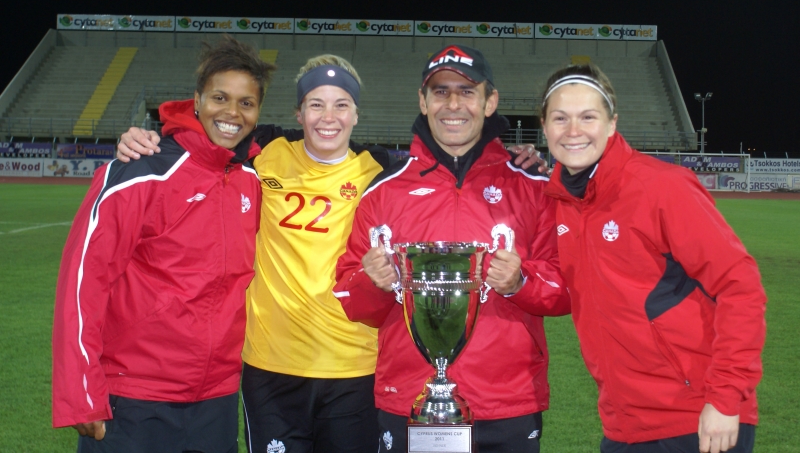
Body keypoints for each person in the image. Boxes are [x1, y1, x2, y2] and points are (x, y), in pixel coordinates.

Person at [117, 51, 544, 453]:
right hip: (271, 365)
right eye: (316, 104)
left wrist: (512, 156)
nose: (328, 117)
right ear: (298, 113)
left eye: (341, 105)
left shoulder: (380, 174)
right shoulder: (262, 156)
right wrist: (153, 138)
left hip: (354, 368)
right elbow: (209, 138)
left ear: (356, 114)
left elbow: (446, 170)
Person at [334, 44, 571, 453]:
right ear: (423, 102)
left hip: (507, 401)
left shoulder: (533, 187)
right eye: (441, 92)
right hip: (409, 398)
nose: (454, 104)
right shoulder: (384, 192)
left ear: (490, 101)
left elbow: (568, 287)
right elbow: (351, 301)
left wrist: (521, 282)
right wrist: (373, 282)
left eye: (467, 92)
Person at [52, 36, 274, 453]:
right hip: (134, 397)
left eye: (246, 103)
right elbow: (83, 280)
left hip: (217, 400)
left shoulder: (252, 181)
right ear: (197, 100)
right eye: (220, 98)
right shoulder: (141, 171)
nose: (232, 113)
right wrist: (79, 391)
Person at [538, 64, 766, 453]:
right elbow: (576, 294)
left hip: (697, 418)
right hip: (625, 423)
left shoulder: (661, 186)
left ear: (612, 123)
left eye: (588, 117)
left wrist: (726, 397)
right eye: (560, 118)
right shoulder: (563, 202)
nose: (573, 130)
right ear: (544, 127)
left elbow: (740, 286)